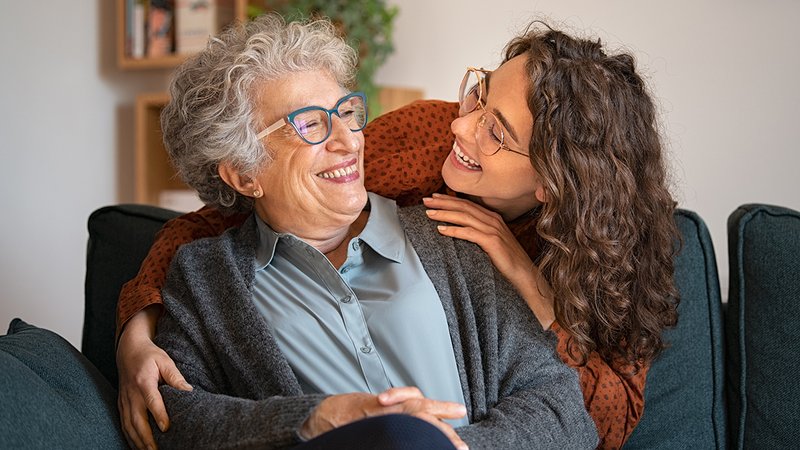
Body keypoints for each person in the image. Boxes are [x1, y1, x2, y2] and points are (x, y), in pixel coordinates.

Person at [116, 19, 679, 450]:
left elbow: (582, 415)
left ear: (553, 184)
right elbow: (215, 221)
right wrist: (135, 330)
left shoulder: (469, 247)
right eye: (311, 123)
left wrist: (529, 286)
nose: (462, 125)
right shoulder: (429, 145)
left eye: (496, 133)